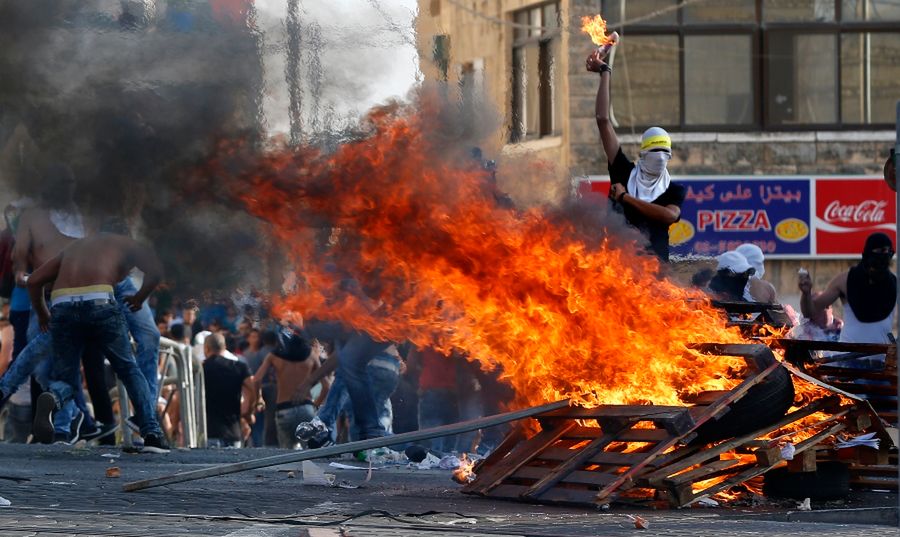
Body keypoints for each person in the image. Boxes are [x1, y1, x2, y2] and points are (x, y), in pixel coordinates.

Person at [27, 219, 169, 452]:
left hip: (62, 305)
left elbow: (33, 281)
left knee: (66, 376)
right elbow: (156, 272)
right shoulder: (126, 244)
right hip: (99, 301)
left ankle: (53, 398)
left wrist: (43, 315)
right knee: (128, 369)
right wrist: (138, 298)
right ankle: (151, 431)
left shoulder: (75, 247)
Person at [586, 50, 686, 262]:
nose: (659, 159)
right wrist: (605, 71)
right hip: (617, 266)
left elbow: (670, 215)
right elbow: (603, 120)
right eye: (654, 152)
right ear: (643, 153)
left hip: (654, 275)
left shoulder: (673, 190)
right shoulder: (623, 171)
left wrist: (625, 198)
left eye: (664, 154)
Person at [799, 232, 896, 345]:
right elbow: (810, 311)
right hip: (848, 359)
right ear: (869, 253)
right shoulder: (844, 280)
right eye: (881, 251)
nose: (885, 255)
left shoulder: (895, 282)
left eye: (889, 251)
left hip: (883, 359)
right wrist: (806, 294)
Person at [253, 330, 327, 448]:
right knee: (310, 452)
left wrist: (258, 399)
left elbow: (256, 379)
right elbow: (326, 385)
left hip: (284, 408)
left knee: (288, 455)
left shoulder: (274, 356)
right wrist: (315, 404)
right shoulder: (311, 354)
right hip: (306, 407)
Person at [202, 332, 255, 448]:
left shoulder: (201, 369)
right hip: (233, 432)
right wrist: (248, 412)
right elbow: (254, 388)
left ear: (206, 348)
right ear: (224, 347)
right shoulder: (240, 367)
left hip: (209, 433)